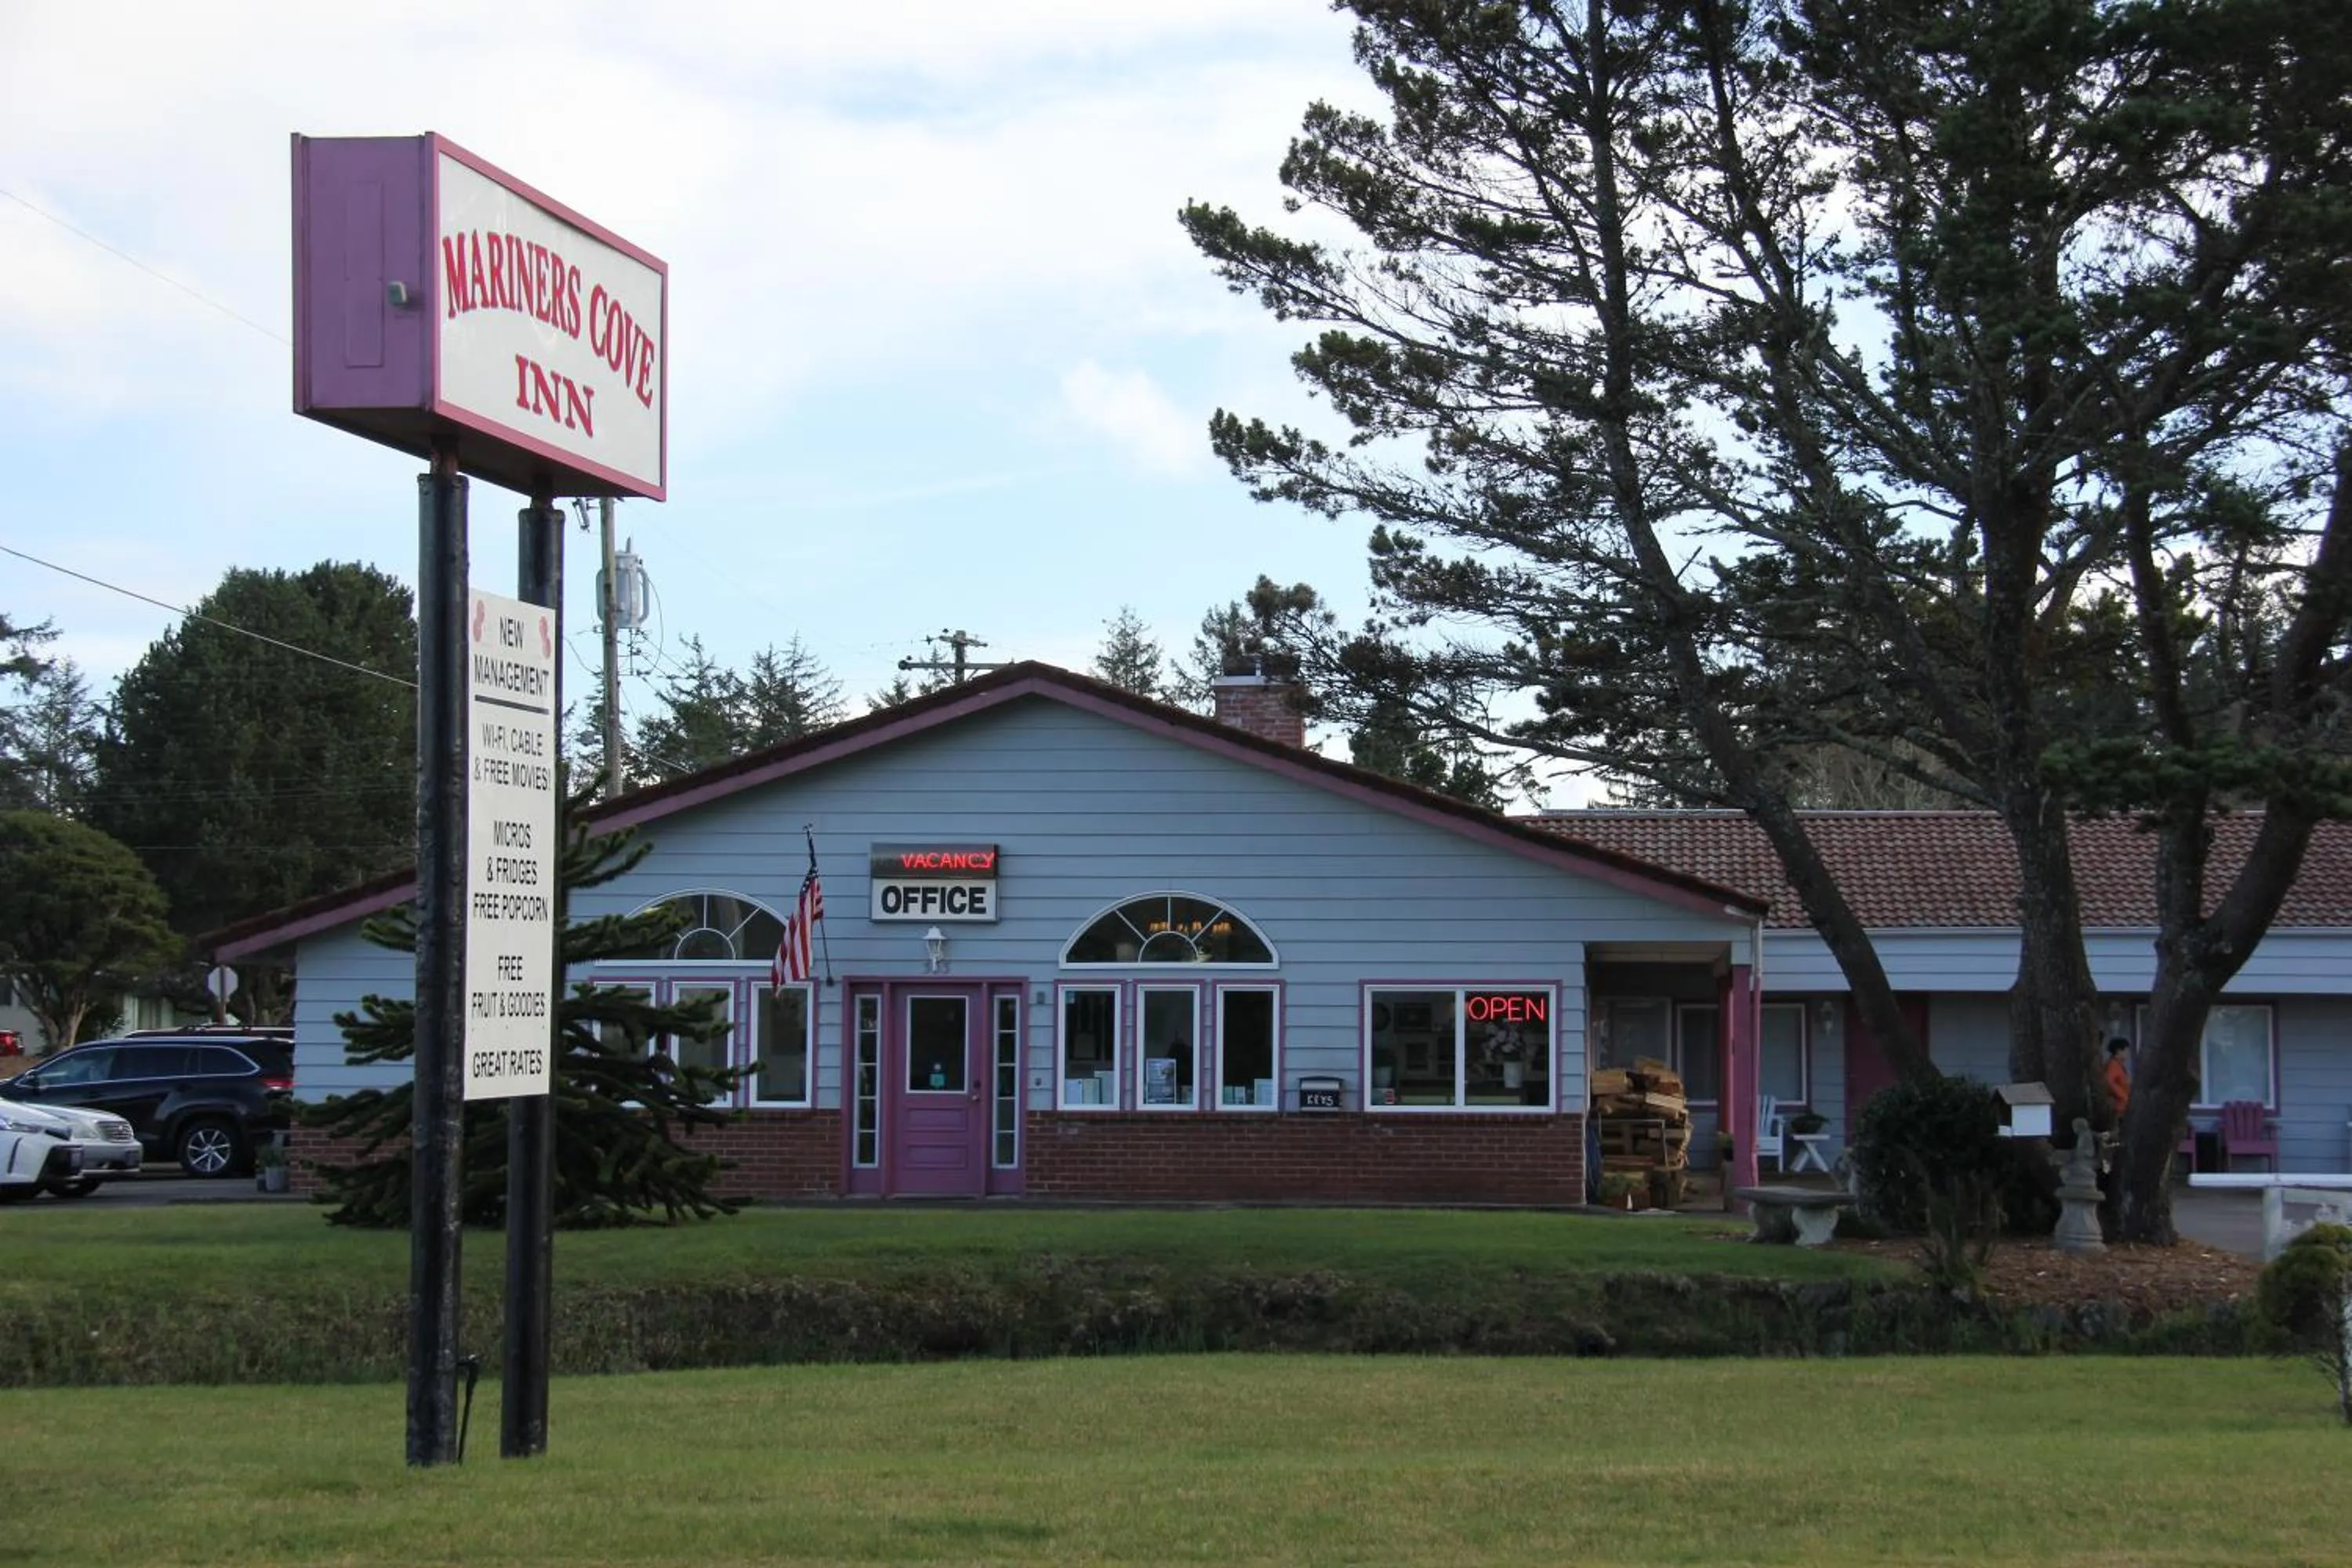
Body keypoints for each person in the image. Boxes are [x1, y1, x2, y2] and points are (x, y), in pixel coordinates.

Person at [2103, 1037, 2132, 1117]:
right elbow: (2109, 1081)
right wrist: (2123, 1096)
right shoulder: (2113, 1065)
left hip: (2123, 1106)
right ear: (2119, 1051)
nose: (2128, 1053)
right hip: (2119, 1107)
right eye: (2126, 1050)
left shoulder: (2120, 1065)